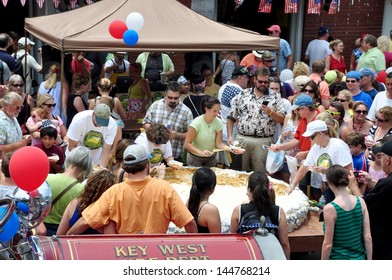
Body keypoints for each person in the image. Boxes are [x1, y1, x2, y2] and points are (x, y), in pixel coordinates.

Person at [66, 144, 197, 235]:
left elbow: (85, 221)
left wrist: (66, 239)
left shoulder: (114, 192)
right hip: (157, 252)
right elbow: (189, 222)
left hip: (126, 254)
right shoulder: (165, 189)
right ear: (147, 164)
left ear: (125, 167)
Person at [227, 67, 285, 173]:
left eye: (266, 82)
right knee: (238, 172)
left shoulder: (275, 97)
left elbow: (282, 119)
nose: (263, 84)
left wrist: (270, 112)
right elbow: (231, 116)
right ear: (254, 79)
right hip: (243, 139)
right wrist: (230, 136)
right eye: (260, 81)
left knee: (261, 174)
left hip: (263, 140)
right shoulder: (243, 94)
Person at [287, 120, 353, 204]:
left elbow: (349, 171)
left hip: (342, 187)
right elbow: (304, 167)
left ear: (320, 134)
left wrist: (326, 170)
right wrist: (293, 185)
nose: (310, 140)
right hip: (328, 186)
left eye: (311, 137)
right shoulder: (316, 148)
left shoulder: (338, 146)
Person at [230, 171, 290, 259]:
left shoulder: (238, 210)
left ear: (249, 190)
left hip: (249, 256)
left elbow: (234, 241)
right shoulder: (278, 211)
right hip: (271, 256)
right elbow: (284, 243)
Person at [348, 139, 392, 259]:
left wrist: (353, 187)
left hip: (384, 243)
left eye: (380, 156)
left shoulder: (386, 184)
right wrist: (372, 181)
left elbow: (364, 204)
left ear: (387, 160)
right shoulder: (385, 184)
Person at [322, 164, 372, 260]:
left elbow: (328, 244)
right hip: (360, 258)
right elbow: (368, 237)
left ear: (330, 183)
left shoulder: (330, 208)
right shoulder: (361, 202)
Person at [43, 146, 93, 236]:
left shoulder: (47, 178)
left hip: (41, 227)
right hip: (61, 231)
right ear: (87, 166)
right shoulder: (81, 190)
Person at [184, 96, 243, 167]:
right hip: (195, 158)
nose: (217, 114)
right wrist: (201, 152)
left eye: (218, 111)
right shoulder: (196, 123)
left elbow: (219, 144)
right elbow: (187, 144)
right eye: (214, 111)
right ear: (206, 109)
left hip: (211, 157)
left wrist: (230, 149)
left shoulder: (218, 122)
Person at [143, 81, 193, 162]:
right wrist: (155, 131)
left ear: (180, 95)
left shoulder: (186, 112)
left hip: (174, 154)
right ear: (165, 94)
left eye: (176, 98)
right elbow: (145, 123)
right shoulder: (155, 105)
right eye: (170, 97)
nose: (172, 100)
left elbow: (191, 134)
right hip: (153, 154)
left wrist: (176, 135)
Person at [56, 169, 116, 235]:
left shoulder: (74, 204)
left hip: (73, 244)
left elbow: (59, 235)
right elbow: (110, 240)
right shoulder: (107, 213)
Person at [217, 65, 250, 168]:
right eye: (246, 78)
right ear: (240, 77)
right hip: (233, 136)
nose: (248, 80)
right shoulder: (238, 92)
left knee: (224, 165)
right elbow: (238, 115)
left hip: (223, 132)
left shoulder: (223, 87)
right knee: (234, 166)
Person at [66, 103, 117, 168]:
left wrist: (102, 168)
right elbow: (72, 147)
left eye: (103, 123)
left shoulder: (112, 124)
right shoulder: (79, 120)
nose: (99, 125)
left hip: (96, 160)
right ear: (93, 114)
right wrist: (87, 165)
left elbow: (106, 149)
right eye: (98, 122)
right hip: (75, 158)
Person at [187, 167, 221, 233]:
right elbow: (217, 239)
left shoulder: (189, 202)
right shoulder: (210, 210)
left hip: (193, 242)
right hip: (206, 243)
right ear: (212, 187)